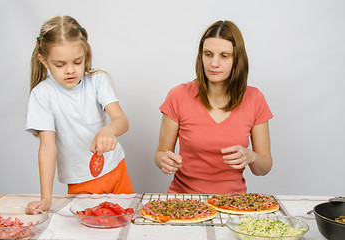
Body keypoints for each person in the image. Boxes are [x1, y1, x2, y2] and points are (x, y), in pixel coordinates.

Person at [26, 16, 134, 213]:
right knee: (90, 228)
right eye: (60, 64)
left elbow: (122, 121)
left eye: (77, 62)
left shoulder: (98, 81)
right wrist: (46, 198)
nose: (70, 71)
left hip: (115, 169)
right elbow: (47, 148)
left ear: (85, 54)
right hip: (80, 180)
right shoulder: (42, 94)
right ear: (44, 60)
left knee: (124, 220)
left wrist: (109, 130)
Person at [155, 20, 273, 194]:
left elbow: (263, 168)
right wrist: (164, 160)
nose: (214, 63)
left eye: (224, 56)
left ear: (237, 59)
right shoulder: (178, 95)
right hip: (183, 202)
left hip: (233, 204)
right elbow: (161, 153)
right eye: (208, 54)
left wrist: (251, 156)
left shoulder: (255, 99)